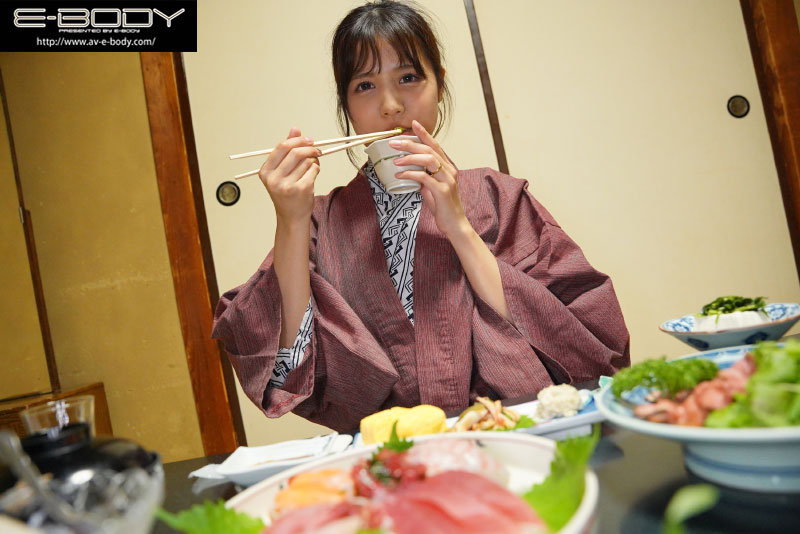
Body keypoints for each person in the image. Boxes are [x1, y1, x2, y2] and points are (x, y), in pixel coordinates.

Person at [212, 0, 630, 432]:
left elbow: (586, 345)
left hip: (514, 432)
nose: (391, 105)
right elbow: (285, 374)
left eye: (408, 78)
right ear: (346, 105)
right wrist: (291, 221)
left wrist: (459, 227)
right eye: (365, 85)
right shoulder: (320, 221)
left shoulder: (497, 196)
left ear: (439, 84)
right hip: (395, 451)